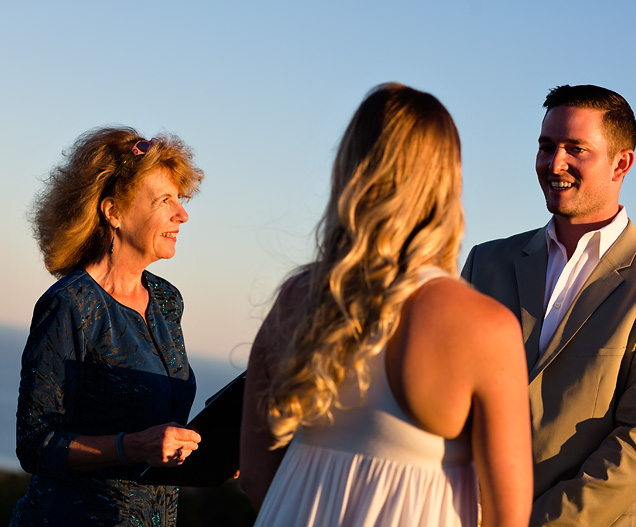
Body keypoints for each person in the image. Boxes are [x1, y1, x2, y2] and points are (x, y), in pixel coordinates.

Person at [239, 83, 533, 526]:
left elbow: (255, 476)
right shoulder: (484, 327)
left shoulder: (295, 298)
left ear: (350, 168)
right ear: (446, 180)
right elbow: (507, 519)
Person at [461, 84, 636, 527]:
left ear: (621, 163)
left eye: (576, 148)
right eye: (546, 146)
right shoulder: (486, 262)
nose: (555, 163)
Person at [12, 126, 205, 526]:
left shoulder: (168, 301)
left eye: (180, 200)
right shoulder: (69, 305)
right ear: (113, 211)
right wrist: (133, 447)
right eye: (164, 200)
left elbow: (159, 435)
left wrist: (212, 454)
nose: (182, 214)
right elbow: (36, 446)